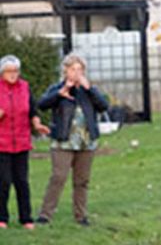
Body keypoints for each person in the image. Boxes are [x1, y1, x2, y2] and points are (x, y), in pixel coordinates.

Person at [35, 53, 109, 227]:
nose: (76, 73)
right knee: (58, 177)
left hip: (85, 141)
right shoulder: (58, 88)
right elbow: (42, 104)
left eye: (80, 69)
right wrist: (60, 93)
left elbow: (103, 106)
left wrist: (89, 89)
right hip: (63, 141)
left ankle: (80, 215)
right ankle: (45, 214)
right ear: (65, 71)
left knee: (82, 180)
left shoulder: (89, 90)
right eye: (73, 69)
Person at [0, 55, 49, 229]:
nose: (13, 74)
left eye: (15, 71)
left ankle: (26, 218)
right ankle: (2, 218)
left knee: (22, 181)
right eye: (9, 71)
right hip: (2, 143)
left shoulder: (25, 88)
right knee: (4, 181)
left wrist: (37, 124)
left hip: (21, 141)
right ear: (2, 73)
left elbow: (32, 110)